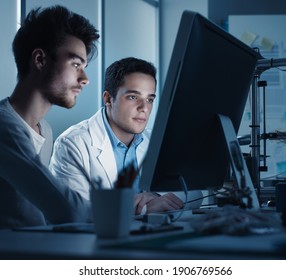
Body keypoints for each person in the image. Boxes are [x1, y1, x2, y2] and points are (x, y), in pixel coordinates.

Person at [0, 5, 100, 232]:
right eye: (76, 64)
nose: (85, 79)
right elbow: (68, 210)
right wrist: (129, 208)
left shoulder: (44, 130)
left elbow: (48, 210)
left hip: (35, 250)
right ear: (40, 60)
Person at [50, 57, 199, 216]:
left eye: (149, 99)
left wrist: (156, 197)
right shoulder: (72, 144)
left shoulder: (156, 141)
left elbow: (197, 192)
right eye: (133, 97)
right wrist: (143, 209)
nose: (144, 108)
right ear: (108, 99)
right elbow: (73, 212)